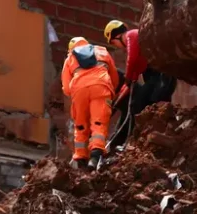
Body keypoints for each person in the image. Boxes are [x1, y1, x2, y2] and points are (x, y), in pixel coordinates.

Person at [104, 20, 178, 150]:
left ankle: (161, 139)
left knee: (154, 104)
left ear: (116, 35)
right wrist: (127, 86)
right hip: (158, 76)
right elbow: (137, 70)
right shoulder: (137, 44)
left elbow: (131, 61)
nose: (116, 46)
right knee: (144, 104)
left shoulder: (131, 35)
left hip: (162, 76)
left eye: (113, 43)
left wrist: (128, 77)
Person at [61, 36, 119, 169]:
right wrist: (110, 93)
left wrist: (77, 93)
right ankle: (95, 156)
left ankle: (81, 159)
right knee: (99, 122)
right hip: (101, 86)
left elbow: (67, 87)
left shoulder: (70, 58)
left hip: (79, 90)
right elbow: (114, 77)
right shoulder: (102, 51)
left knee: (81, 124)